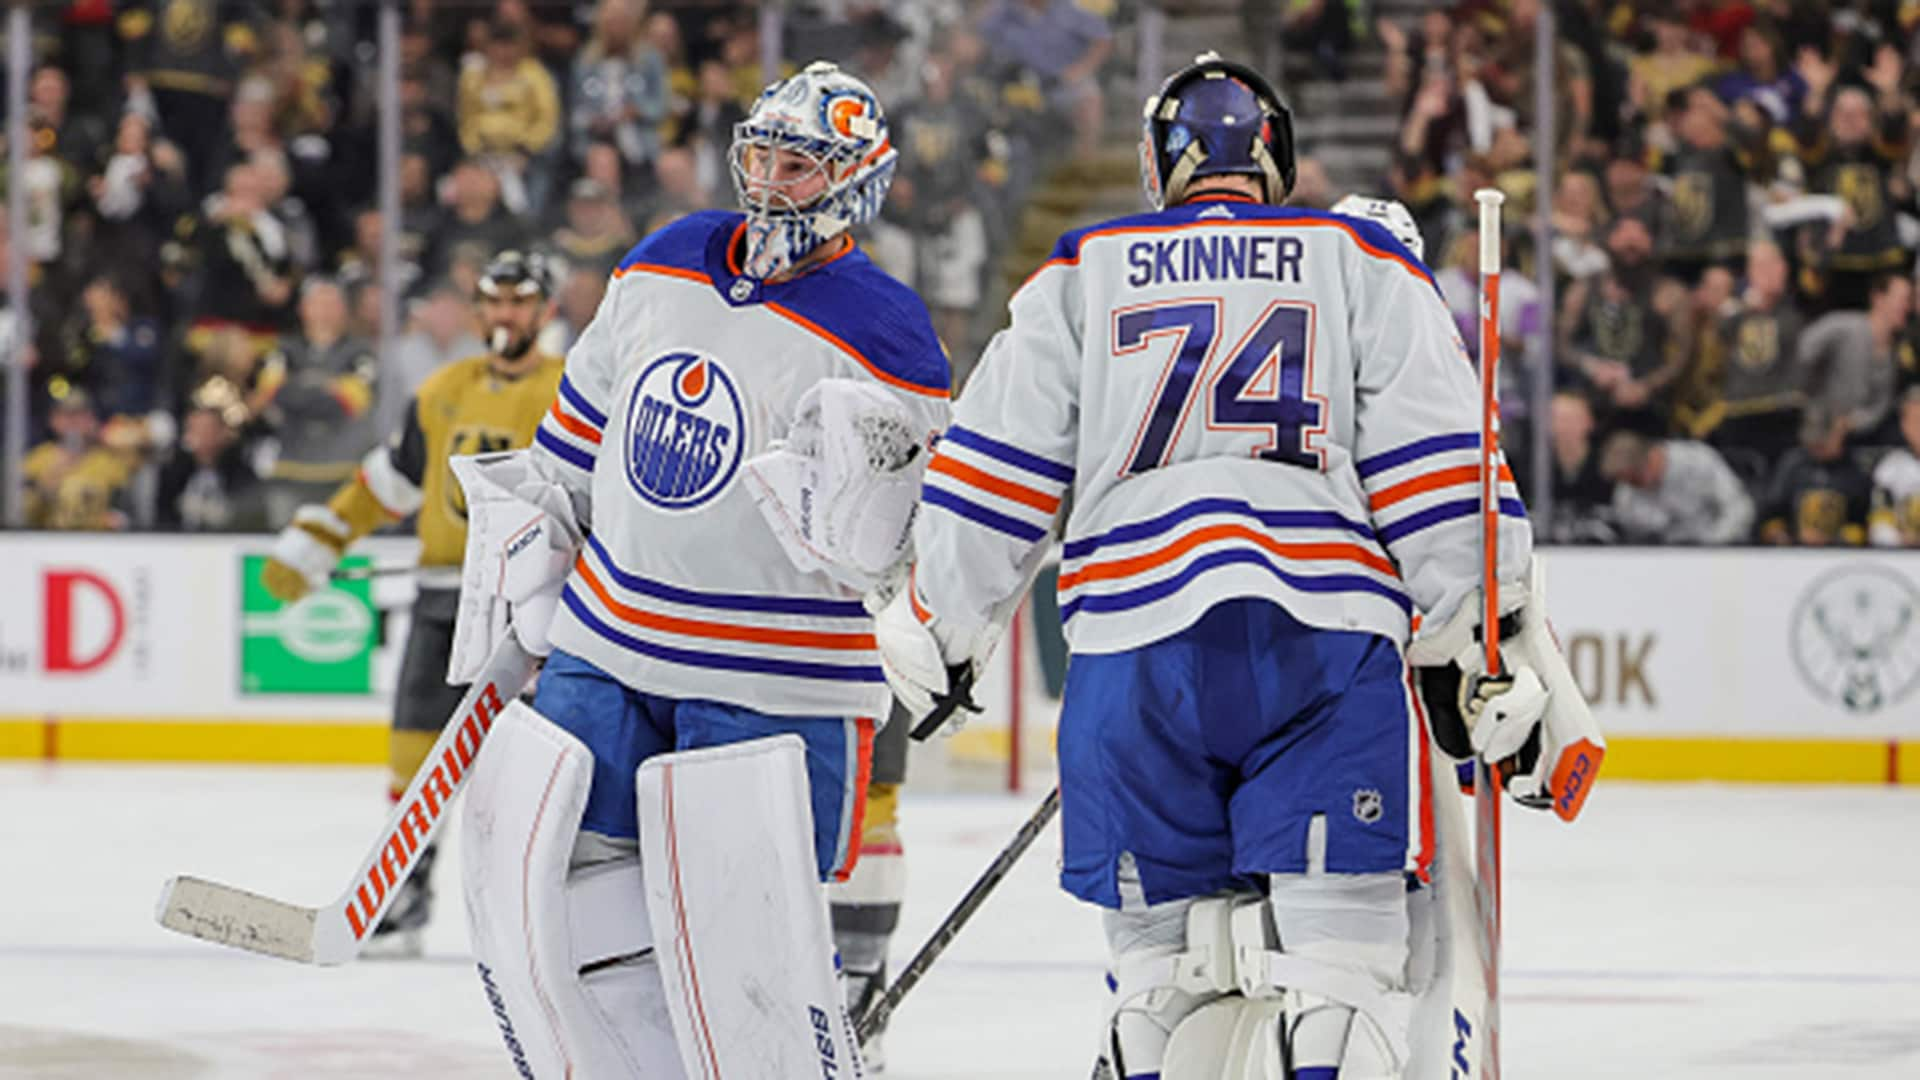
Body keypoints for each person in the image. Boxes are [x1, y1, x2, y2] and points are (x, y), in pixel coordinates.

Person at [873, 54, 1577, 1078]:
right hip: (1321, 647)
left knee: (1161, 997)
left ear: (1161, 169)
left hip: (1128, 656)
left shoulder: (1082, 265)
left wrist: (945, 623)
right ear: (1273, 158)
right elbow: (1435, 462)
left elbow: (999, 466)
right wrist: (1488, 627)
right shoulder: (1355, 256)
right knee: (1341, 989)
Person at [452, 62, 949, 1076]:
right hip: (611, 642)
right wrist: (530, 568)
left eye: (799, 165)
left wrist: (892, 549)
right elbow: (572, 447)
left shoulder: (888, 329)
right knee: (574, 904)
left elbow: (914, 532)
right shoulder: (665, 260)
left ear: (856, 181)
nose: (769, 181)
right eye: (759, 154)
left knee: (744, 943)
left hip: (777, 673)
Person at [259, 250, 564, 955]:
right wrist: (322, 540)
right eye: (495, 300)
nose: (505, 315)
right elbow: (390, 482)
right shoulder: (442, 390)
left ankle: (543, 904)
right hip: (441, 599)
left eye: (520, 302)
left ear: (544, 311)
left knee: (543, 764)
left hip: (533, 607)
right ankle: (406, 894)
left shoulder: (570, 390)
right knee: (412, 756)